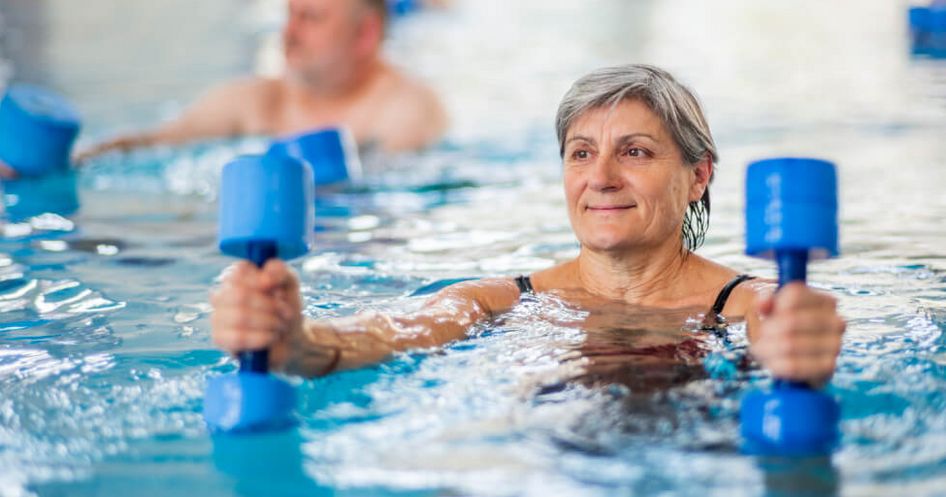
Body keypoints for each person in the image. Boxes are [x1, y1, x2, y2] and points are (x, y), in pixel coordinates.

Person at [210, 64, 845, 389]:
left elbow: (793, 343)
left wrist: (800, 355)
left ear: (698, 175)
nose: (601, 178)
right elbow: (389, 333)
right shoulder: (497, 301)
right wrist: (296, 340)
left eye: (635, 152)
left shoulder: (755, 305)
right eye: (581, 153)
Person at [76, 0, 446, 163]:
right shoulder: (256, 100)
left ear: (365, 33)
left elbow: (391, 182)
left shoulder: (403, 107)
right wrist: (81, 156)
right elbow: (156, 142)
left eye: (311, 18)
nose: (289, 32)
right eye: (290, 14)